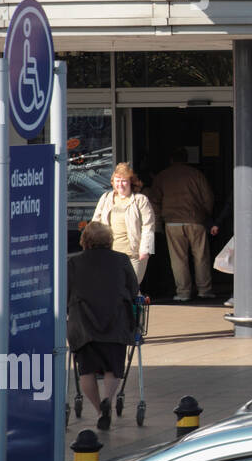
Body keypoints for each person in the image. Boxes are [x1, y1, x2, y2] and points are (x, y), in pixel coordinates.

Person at [67, 221, 139, 431]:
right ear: (109, 240)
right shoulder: (121, 260)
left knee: (86, 371)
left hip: (83, 326)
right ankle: (108, 398)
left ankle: (99, 411)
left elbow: (66, 295)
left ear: (84, 241)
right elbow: (134, 290)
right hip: (116, 322)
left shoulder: (73, 263)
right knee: (113, 368)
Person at [148, 147, 216, 302]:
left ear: (171, 160)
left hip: (172, 222)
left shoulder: (162, 176)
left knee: (178, 259)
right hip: (196, 220)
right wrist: (205, 214)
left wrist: (159, 219)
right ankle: (204, 290)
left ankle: (183, 292)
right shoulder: (196, 174)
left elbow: (154, 200)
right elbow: (208, 197)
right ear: (186, 159)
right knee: (201, 257)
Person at [91, 162, 156, 283]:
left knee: (131, 288)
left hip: (133, 255)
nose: (120, 184)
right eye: (117, 180)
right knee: (112, 288)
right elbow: (95, 224)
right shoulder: (105, 198)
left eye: (124, 180)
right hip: (109, 254)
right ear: (113, 181)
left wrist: (146, 249)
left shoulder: (140, 200)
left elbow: (149, 226)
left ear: (131, 181)